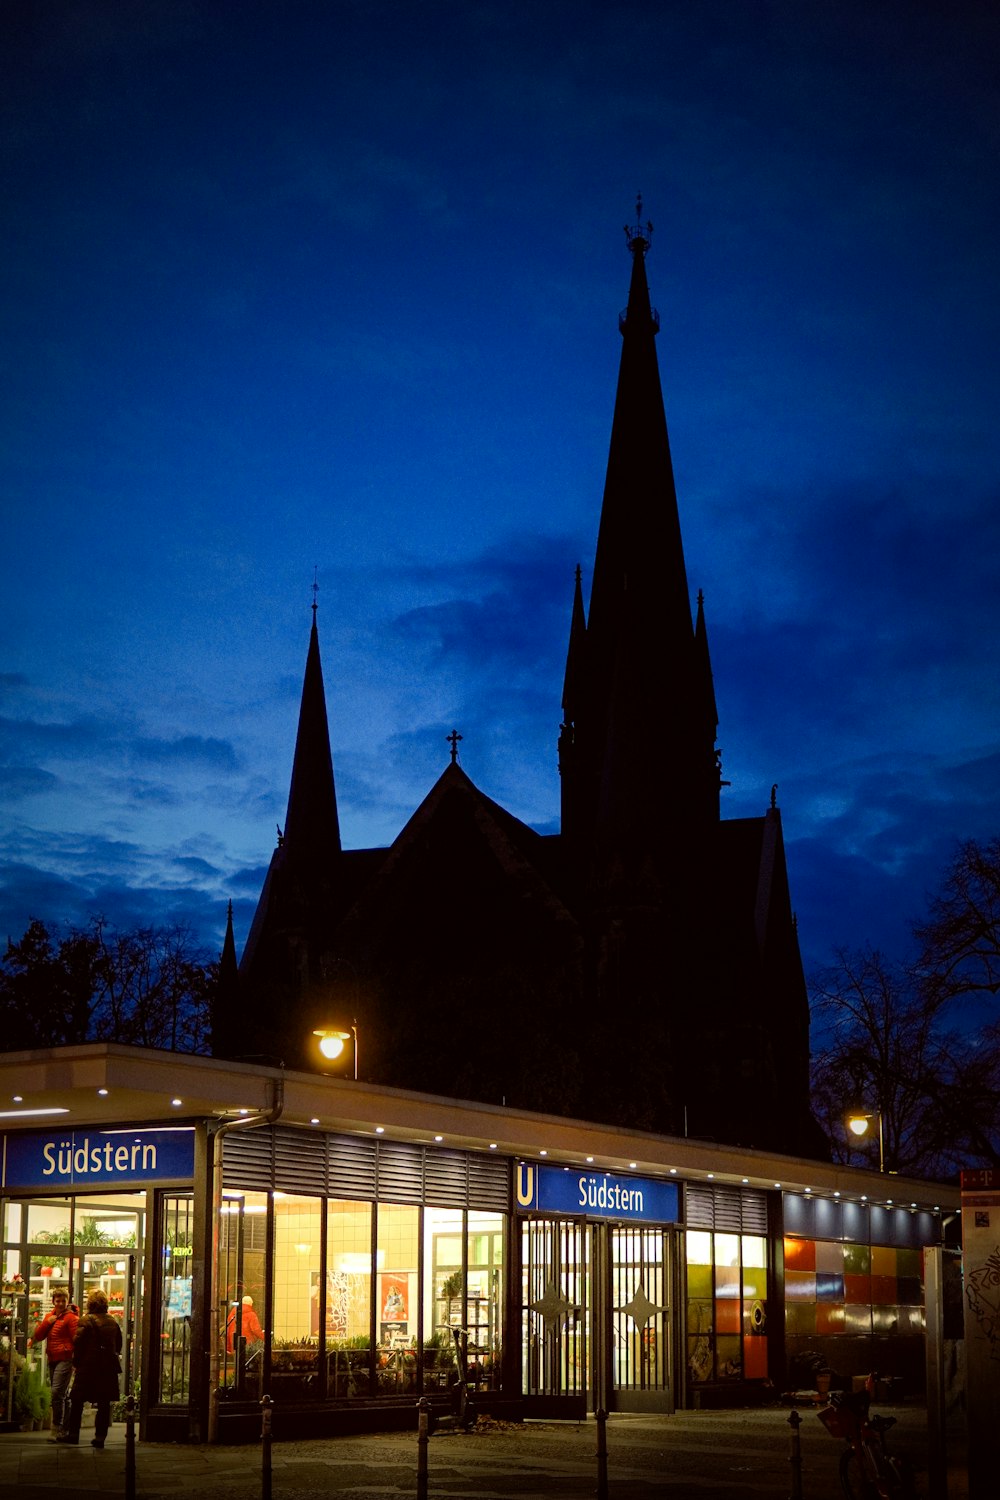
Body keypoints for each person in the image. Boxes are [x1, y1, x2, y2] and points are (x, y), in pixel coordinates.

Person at [55, 1289, 123, 1448]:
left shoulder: (85, 1320)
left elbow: (78, 1344)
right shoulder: (113, 1322)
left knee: (77, 1401)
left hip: (88, 1366)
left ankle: (73, 1434)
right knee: (104, 1403)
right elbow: (118, 1345)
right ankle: (100, 1437)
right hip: (108, 1368)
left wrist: (76, 1363)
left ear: (90, 1304)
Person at [33, 1287, 78, 1436]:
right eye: (57, 1300)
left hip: (65, 1358)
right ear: (53, 1301)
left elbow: (76, 1339)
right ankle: (67, 1427)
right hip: (53, 1358)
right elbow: (38, 1336)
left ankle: (56, 1427)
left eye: (63, 1301)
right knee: (61, 1395)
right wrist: (47, 1322)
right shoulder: (49, 1317)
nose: (60, 1303)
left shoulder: (71, 1318)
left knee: (56, 1393)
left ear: (67, 1301)